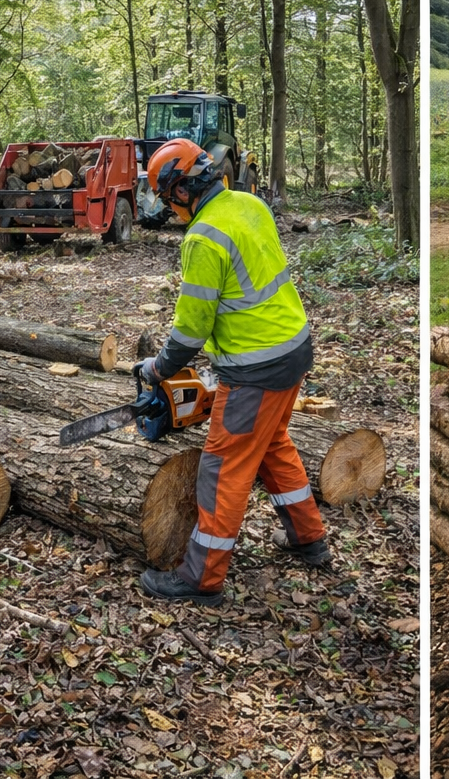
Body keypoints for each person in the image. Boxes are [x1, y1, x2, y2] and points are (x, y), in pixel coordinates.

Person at [136, 137, 329, 606]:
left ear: (182, 190)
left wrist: (158, 367)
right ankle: (309, 537)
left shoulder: (203, 238)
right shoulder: (249, 203)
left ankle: (202, 577)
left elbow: (191, 329)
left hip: (256, 368)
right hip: (294, 348)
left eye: (169, 197)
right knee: (272, 445)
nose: (171, 208)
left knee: (221, 466)